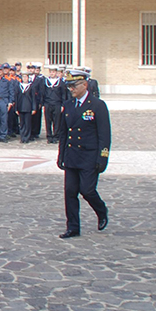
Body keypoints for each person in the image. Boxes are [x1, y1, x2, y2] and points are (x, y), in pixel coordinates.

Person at [55, 67, 111, 239]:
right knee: (70, 192)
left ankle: (101, 210)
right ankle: (73, 226)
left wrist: (103, 157)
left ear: (85, 85)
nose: (71, 89)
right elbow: (64, 133)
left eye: (74, 86)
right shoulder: (68, 106)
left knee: (87, 190)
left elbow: (104, 134)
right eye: (69, 86)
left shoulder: (97, 105)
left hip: (89, 156)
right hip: (72, 156)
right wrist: (61, 155)